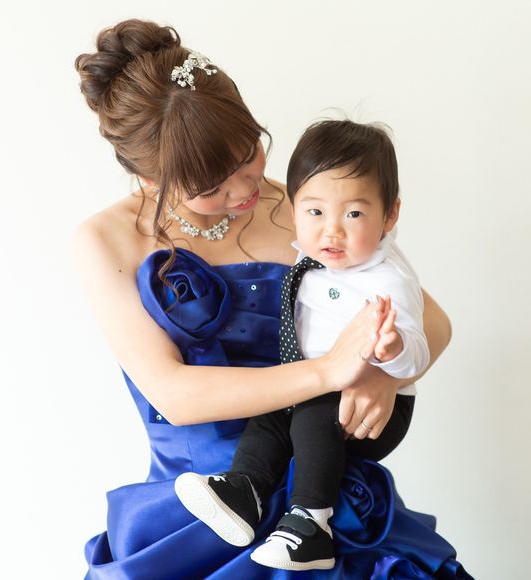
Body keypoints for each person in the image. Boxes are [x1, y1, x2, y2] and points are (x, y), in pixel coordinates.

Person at [74, 18, 471, 579]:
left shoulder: (302, 207)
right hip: (199, 505)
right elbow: (176, 395)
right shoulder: (105, 240)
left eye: (249, 155)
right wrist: (329, 371)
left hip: (318, 480)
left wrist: (383, 375)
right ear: (151, 179)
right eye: (212, 187)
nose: (245, 190)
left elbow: (435, 321)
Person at [174, 119, 431, 572]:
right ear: (294, 209)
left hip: (373, 409)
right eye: (315, 213)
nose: (332, 231)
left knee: (312, 408)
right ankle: (245, 490)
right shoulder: (313, 257)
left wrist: (391, 354)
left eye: (354, 215)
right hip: (317, 385)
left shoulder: (387, 278)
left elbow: (420, 348)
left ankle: (312, 523)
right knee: (277, 406)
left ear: (390, 216)